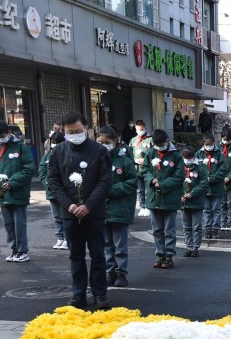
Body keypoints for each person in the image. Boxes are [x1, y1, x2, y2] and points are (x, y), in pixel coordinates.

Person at [46, 111, 113, 309]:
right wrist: (70, 205)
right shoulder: (58, 152)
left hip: (94, 212)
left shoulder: (99, 151)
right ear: (64, 132)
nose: (75, 135)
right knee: (76, 255)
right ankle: (78, 294)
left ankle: (100, 294)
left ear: (86, 129)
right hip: (70, 213)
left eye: (78, 131)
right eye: (70, 132)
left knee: (98, 255)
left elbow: (105, 181)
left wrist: (88, 205)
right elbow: (54, 181)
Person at [0, 119, 35, 263]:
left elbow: (29, 168)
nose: (1, 138)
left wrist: (13, 182)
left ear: (9, 132)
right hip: (2, 193)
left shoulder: (20, 146)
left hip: (18, 192)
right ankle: (13, 250)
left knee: (19, 224)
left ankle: (22, 251)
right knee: (8, 224)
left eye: (3, 135)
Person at [97, 127, 137, 287]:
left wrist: (109, 190)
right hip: (101, 210)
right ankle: (110, 271)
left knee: (120, 245)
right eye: (100, 142)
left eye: (106, 142)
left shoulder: (124, 161)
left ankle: (121, 273)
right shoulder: (95, 160)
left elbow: (132, 182)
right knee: (107, 245)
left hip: (120, 209)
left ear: (115, 141)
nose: (103, 145)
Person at [142, 129, 184, 269]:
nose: (160, 147)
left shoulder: (176, 154)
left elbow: (179, 176)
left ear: (167, 141)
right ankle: (160, 254)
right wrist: (151, 180)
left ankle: (169, 256)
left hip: (170, 198)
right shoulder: (151, 153)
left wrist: (164, 184)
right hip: (154, 198)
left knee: (169, 230)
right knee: (157, 229)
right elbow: (145, 170)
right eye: (157, 144)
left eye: (162, 144)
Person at [39, 131, 67, 250]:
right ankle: (59, 237)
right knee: (56, 217)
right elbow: (42, 172)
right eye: (53, 143)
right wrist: (48, 183)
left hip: (64, 192)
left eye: (57, 142)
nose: (55, 145)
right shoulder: (47, 156)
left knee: (65, 216)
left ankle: (66, 238)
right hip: (51, 191)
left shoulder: (67, 154)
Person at [180, 144, 209, 258]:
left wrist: (192, 193)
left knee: (196, 226)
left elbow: (203, 184)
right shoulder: (180, 167)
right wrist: (180, 195)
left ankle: (195, 247)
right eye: (186, 157)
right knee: (186, 227)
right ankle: (189, 247)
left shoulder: (200, 168)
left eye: (189, 157)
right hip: (184, 202)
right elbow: (176, 182)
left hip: (196, 202)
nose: (188, 160)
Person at [195, 133, 225, 239]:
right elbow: (195, 169)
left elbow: (223, 169)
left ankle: (216, 229)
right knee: (207, 209)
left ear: (214, 143)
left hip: (217, 186)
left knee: (216, 209)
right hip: (204, 188)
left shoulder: (219, 153)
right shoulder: (199, 154)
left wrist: (213, 178)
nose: (209, 146)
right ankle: (208, 228)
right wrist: (203, 180)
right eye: (207, 144)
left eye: (210, 144)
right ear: (204, 143)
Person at [129, 120, 153, 217]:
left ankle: (148, 206)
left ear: (145, 128)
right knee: (140, 189)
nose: (140, 131)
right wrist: (135, 159)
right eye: (138, 129)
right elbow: (130, 153)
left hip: (147, 168)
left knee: (148, 188)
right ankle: (142, 206)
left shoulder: (150, 140)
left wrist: (146, 160)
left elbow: (154, 153)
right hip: (137, 168)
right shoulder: (133, 140)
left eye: (142, 129)